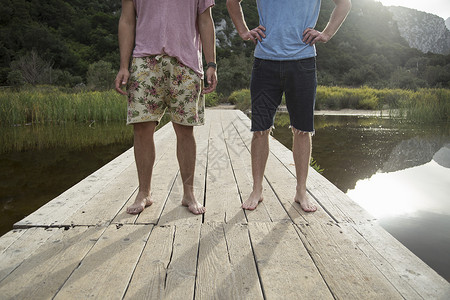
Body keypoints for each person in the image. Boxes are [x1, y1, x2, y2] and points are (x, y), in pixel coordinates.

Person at [227, 0, 351, 212]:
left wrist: (326, 34)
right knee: (260, 129)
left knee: (303, 129)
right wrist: (244, 31)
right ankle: (257, 190)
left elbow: (344, 3)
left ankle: (301, 191)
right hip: (265, 61)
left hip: (302, 62)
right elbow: (232, 1)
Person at [114, 0, 217, 215]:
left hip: (186, 62)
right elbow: (126, 20)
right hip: (144, 60)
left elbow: (206, 21)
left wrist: (211, 63)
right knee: (141, 129)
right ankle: (144, 193)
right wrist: (124, 66)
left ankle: (189, 193)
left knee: (185, 130)